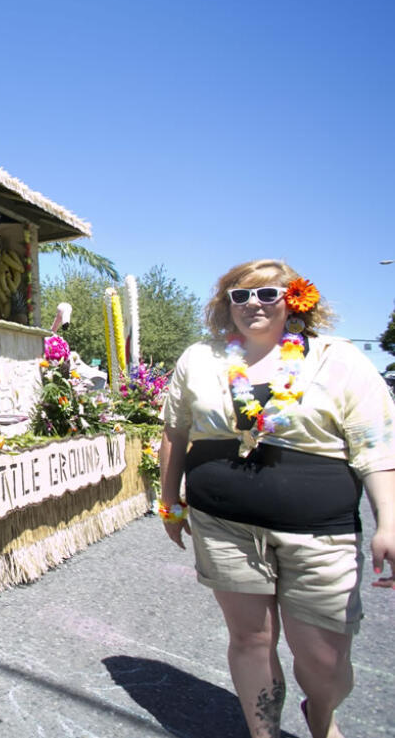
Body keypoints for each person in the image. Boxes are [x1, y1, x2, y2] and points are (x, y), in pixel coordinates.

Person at [159, 260, 395, 738]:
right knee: (251, 639)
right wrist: (170, 503)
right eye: (239, 296)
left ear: (295, 300)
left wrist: (388, 521)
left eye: (267, 294)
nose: (253, 305)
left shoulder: (337, 358)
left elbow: (375, 445)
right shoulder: (201, 358)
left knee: (325, 662)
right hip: (223, 524)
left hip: (320, 530)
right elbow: (175, 431)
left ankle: (321, 717)